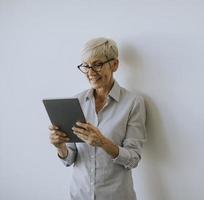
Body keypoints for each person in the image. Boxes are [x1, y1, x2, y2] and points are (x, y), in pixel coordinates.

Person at [48, 37, 147, 200]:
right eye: (86, 66)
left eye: (97, 64)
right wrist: (60, 146)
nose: (90, 72)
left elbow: (133, 159)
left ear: (114, 64)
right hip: (79, 194)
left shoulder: (133, 103)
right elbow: (69, 159)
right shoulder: (76, 102)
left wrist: (102, 142)